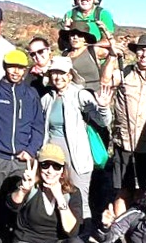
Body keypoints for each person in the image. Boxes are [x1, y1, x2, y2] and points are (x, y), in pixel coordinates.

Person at [0, 50, 45, 202]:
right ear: (5, 67)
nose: (15, 71)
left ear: (25, 70)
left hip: (22, 160)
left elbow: (38, 126)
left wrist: (31, 150)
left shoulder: (31, 94)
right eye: (11, 67)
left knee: (20, 202)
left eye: (20, 67)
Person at [40, 57, 109, 206]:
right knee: (55, 195)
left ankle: (84, 228)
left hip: (77, 157)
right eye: (54, 73)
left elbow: (103, 121)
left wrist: (103, 107)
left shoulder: (80, 95)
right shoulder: (47, 99)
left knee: (79, 199)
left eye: (62, 73)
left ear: (70, 75)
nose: (58, 77)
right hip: (53, 156)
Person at [110, 36, 146, 190]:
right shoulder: (124, 72)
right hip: (125, 144)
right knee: (123, 192)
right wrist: (111, 57)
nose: (145, 54)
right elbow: (106, 81)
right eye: (141, 49)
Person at [59, 19, 102, 89]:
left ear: (85, 38)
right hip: (72, 95)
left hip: (94, 93)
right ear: (69, 37)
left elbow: (112, 49)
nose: (75, 37)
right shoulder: (65, 54)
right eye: (72, 34)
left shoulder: (92, 50)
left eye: (80, 35)